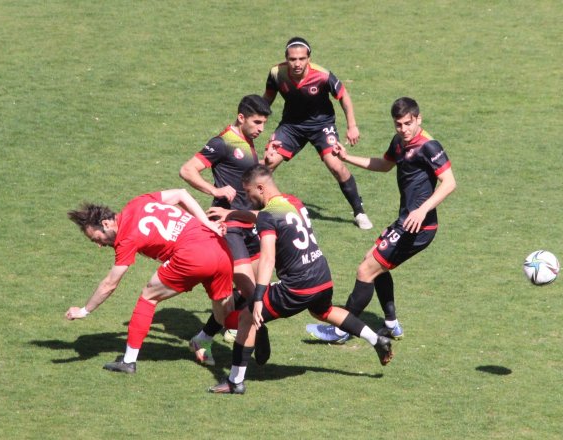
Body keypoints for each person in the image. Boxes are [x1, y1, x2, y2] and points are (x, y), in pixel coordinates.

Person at [208, 164, 393, 394]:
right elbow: (266, 217)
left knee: (246, 317)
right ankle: (377, 340)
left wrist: (258, 296)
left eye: (248, 192)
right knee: (323, 311)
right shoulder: (292, 201)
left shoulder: (267, 216)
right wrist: (233, 214)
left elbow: (267, 259)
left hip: (298, 286)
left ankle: (235, 381)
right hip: (322, 276)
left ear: (260, 187)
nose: (247, 197)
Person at [306, 97, 457, 343]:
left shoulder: (429, 146)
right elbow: (385, 165)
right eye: (398, 124)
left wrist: (422, 210)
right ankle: (391, 324)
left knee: (366, 270)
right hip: (405, 222)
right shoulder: (399, 142)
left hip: (419, 226)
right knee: (372, 261)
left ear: (418, 119)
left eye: (408, 123)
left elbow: (449, 182)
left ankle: (342, 330)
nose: (404, 129)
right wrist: (347, 158)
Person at [65, 188, 235, 374]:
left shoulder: (125, 238)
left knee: (148, 297)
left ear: (106, 223)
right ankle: (211, 341)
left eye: (97, 238)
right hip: (220, 248)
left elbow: (109, 284)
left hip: (192, 256)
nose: (99, 244)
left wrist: (84, 310)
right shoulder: (138, 202)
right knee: (224, 314)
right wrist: (207, 224)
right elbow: (181, 194)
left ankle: (129, 361)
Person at [179, 94, 272, 364]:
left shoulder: (248, 141)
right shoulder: (222, 143)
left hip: (250, 222)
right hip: (229, 225)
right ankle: (250, 330)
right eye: (256, 122)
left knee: (255, 287)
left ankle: (210, 334)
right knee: (248, 287)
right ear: (241, 118)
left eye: (264, 123)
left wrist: (265, 163)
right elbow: (187, 170)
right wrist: (214, 189)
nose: (260, 128)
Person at [262, 36, 373, 230]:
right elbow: (267, 99)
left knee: (336, 166)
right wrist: (258, 119)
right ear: (286, 58)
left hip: (322, 126)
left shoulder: (322, 75)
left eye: (302, 59)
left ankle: (359, 212)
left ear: (309, 58)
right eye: (292, 59)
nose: (297, 63)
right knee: (268, 164)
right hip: (291, 126)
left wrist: (352, 125)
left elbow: (343, 96)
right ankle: (256, 210)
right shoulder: (276, 73)